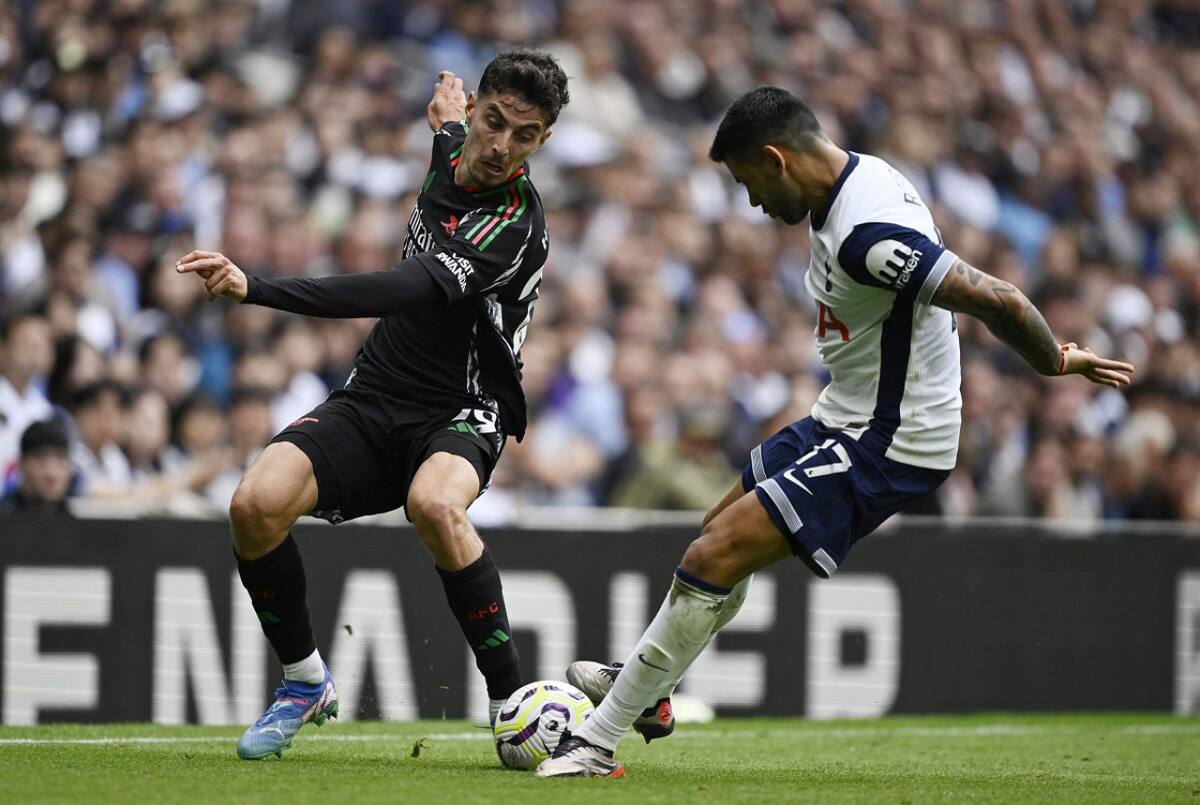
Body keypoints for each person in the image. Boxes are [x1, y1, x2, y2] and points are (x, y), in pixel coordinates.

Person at [536, 86, 1135, 778]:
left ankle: (596, 742)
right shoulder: (863, 176)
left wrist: (1054, 359)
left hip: (895, 433)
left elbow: (995, 297)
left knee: (715, 553)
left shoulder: (866, 237)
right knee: (715, 530)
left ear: (775, 159)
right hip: (844, 410)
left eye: (748, 181)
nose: (752, 201)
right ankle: (653, 689)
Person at [175, 49, 568, 760]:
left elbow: (392, 290)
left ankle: (510, 703)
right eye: (494, 122)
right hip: (376, 393)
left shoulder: (512, 229)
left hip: (463, 407)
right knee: (253, 505)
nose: (501, 147)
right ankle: (303, 681)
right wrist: (446, 111)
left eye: (525, 135)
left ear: (544, 142)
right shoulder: (454, 141)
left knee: (436, 505)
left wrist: (256, 287)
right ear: (476, 109)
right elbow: (446, 125)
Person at [0, 418, 74, 516]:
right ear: (22, 464)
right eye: (41, 460)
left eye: (60, 460)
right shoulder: (5, 514)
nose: (51, 473)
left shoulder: (76, 519)